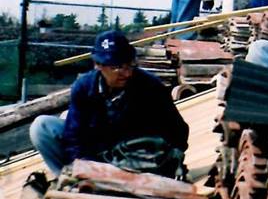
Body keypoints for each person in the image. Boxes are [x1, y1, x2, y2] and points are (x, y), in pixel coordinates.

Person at [29, 31, 189, 175]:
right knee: (42, 126)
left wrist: (173, 159)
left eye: (129, 65)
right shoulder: (84, 87)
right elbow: (74, 137)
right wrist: (82, 166)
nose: (126, 73)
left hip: (134, 159)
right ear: (98, 65)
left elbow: (178, 131)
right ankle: (67, 182)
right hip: (97, 155)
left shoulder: (150, 87)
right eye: (117, 67)